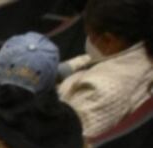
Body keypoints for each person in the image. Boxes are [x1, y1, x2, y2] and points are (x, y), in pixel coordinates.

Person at [58, 0, 153, 138]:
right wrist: (64, 69)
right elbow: (91, 59)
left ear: (109, 40)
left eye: (89, 34)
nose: (88, 40)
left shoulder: (99, 90)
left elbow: (59, 142)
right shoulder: (141, 52)